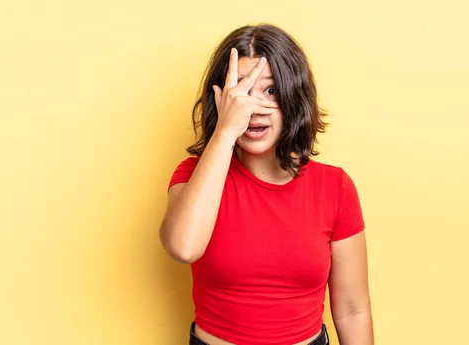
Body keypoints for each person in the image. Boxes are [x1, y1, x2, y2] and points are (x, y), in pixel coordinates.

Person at [160, 23, 373, 345]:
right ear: (221, 100)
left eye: (270, 91)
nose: (254, 108)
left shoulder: (335, 187)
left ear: (294, 97)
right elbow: (183, 247)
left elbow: (353, 310)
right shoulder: (193, 176)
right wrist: (225, 133)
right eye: (241, 93)